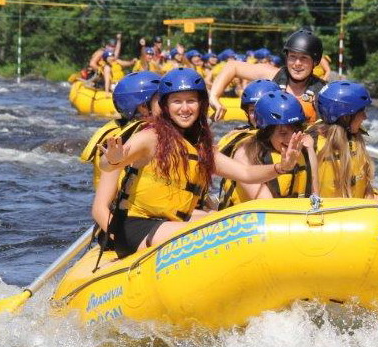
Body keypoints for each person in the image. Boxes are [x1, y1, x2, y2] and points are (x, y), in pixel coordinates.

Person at [98, 68, 307, 258]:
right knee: (220, 231)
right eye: (177, 101)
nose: (185, 108)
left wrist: (281, 167)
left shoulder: (201, 148)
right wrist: (113, 159)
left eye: (191, 101)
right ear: (165, 106)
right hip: (136, 228)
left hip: (170, 224)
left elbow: (245, 173)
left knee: (225, 219)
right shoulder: (151, 136)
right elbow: (109, 164)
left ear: (201, 105)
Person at [209, 29, 327, 123]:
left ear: (315, 62)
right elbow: (232, 66)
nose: (297, 63)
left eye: (304, 58)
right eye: (293, 57)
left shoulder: (322, 91)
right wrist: (214, 97)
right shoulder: (273, 75)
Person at [81, 71, 162, 191]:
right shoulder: (134, 137)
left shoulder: (122, 129)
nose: (168, 104)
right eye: (162, 100)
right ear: (143, 107)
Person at [232, 91, 319, 201]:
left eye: (295, 130)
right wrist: (283, 167)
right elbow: (266, 205)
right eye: (283, 133)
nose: (291, 138)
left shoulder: (306, 148)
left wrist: (310, 151)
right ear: (267, 133)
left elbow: (315, 198)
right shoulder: (244, 155)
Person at [215, 79, 283, 210]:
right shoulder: (242, 143)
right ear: (246, 113)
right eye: (253, 110)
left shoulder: (296, 138)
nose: (259, 115)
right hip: (247, 215)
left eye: (266, 108)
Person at [308, 80, 374, 198]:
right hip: (324, 213)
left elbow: (367, 186)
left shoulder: (356, 137)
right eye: (361, 112)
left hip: (356, 212)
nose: (365, 117)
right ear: (345, 117)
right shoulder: (311, 142)